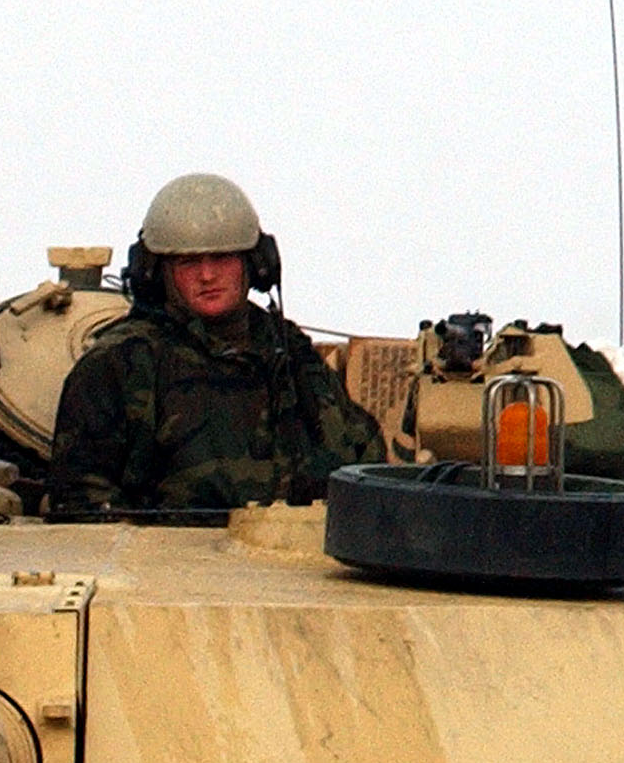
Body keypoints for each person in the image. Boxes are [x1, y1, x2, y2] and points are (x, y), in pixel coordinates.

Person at [46, 173, 382, 513]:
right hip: (173, 560)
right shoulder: (122, 362)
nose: (207, 275)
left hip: (296, 553)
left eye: (222, 258)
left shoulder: (287, 349)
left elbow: (360, 459)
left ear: (255, 264)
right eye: (188, 262)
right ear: (154, 271)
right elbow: (81, 499)